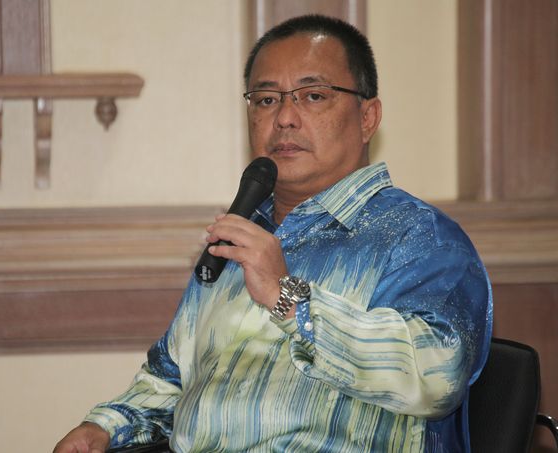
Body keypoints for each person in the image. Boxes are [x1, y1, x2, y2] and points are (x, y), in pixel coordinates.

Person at [54, 14, 492, 453]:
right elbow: (172, 379)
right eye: (266, 100)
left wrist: (290, 299)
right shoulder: (241, 237)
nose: (284, 118)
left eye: (313, 95)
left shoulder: (420, 237)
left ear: (367, 117)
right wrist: (105, 427)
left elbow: (437, 378)